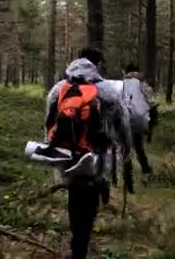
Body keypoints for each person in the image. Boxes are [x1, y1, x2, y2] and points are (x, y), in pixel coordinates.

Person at [44, 47, 132, 259]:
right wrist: (126, 151)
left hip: (69, 156)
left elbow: (49, 120)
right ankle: (81, 247)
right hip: (96, 159)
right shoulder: (108, 90)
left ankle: (77, 246)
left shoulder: (59, 88)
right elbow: (123, 124)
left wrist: (52, 149)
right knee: (89, 202)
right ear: (98, 65)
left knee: (75, 199)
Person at [122, 63, 155, 175]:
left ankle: (127, 170)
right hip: (139, 118)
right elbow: (151, 100)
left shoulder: (122, 83)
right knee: (138, 145)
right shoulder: (142, 82)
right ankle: (145, 169)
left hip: (125, 116)